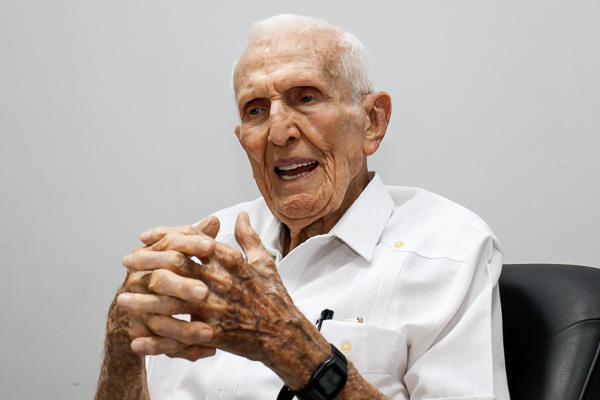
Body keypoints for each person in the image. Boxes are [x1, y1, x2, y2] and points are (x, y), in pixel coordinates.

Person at [95, 14, 510, 400]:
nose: (278, 132)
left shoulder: (448, 250)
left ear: (372, 121)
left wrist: (295, 350)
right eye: (256, 110)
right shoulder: (204, 252)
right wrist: (120, 338)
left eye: (306, 98)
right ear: (243, 139)